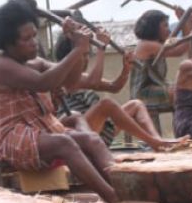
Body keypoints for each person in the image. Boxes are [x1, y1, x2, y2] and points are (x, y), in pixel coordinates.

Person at [0, 0, 119, 203]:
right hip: (7, 138)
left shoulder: (35, 63)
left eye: (35, 35)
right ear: (9, 43)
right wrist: (78, 50)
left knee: (91, 140)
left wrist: (75, 44)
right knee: (64, 143)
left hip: (37, 130)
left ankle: (126, 185)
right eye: (27, 38)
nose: (34, 42)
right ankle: (114, 198)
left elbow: (70, 81)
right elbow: (44, 83)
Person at [51, 27, 184, 151]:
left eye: (87, 55)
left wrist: (126, 69)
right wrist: (101, 48)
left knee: (136, 105)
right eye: (83, 55)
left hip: (99, 129)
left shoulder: (83, 77)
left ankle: (157, 141)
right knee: (106, 104)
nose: (86, 60)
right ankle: (152, 141)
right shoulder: (64, 76)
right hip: (78, 134)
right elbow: (94, 81)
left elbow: (115, 87)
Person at [130, 9, 190, 132]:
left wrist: (185, 22)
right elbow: (180, 50)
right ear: (154, 28)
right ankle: (183, 131)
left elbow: (181, 44)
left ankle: (183, 130)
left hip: (155, 87)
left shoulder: (158, 44)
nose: (168, 29)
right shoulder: (147, 45)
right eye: (165, 25)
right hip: (143, 93)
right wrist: (185, 23)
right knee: (179, 93)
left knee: (186, 88)